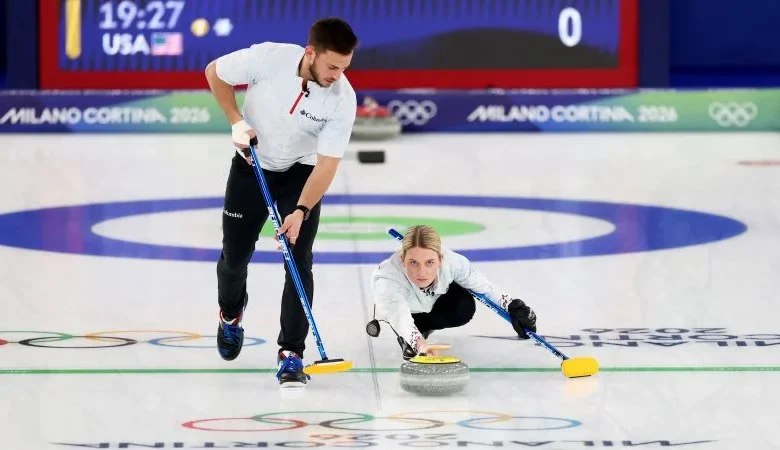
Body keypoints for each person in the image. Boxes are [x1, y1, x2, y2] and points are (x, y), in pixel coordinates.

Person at [203, 17, 359, 387]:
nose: (338, 75)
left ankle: (291, 353)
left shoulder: (342, 99)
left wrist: (301, 210)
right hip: (251, 164)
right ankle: (230, 314)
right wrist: (235, 121)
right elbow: (215, 73)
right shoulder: (270, 58)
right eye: (332, 66)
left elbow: (327, 165)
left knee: (298, 259)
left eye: (345, 67)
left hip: (301, 175)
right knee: (234, 256)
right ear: (311, 53)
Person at [371, 225, 538, 360]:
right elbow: (399, 316)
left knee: (463, 306)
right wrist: (418, 343)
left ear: (441, 259)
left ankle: (425, 325)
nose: (421, 272)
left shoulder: (453, 262)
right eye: (413, 263)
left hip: (433, 301)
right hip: (407, 309)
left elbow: (484, 287)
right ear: (402, 260)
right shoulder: (388, 282)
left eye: (429, 262)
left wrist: (511, 306)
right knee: (406, 325)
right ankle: (413, 331)